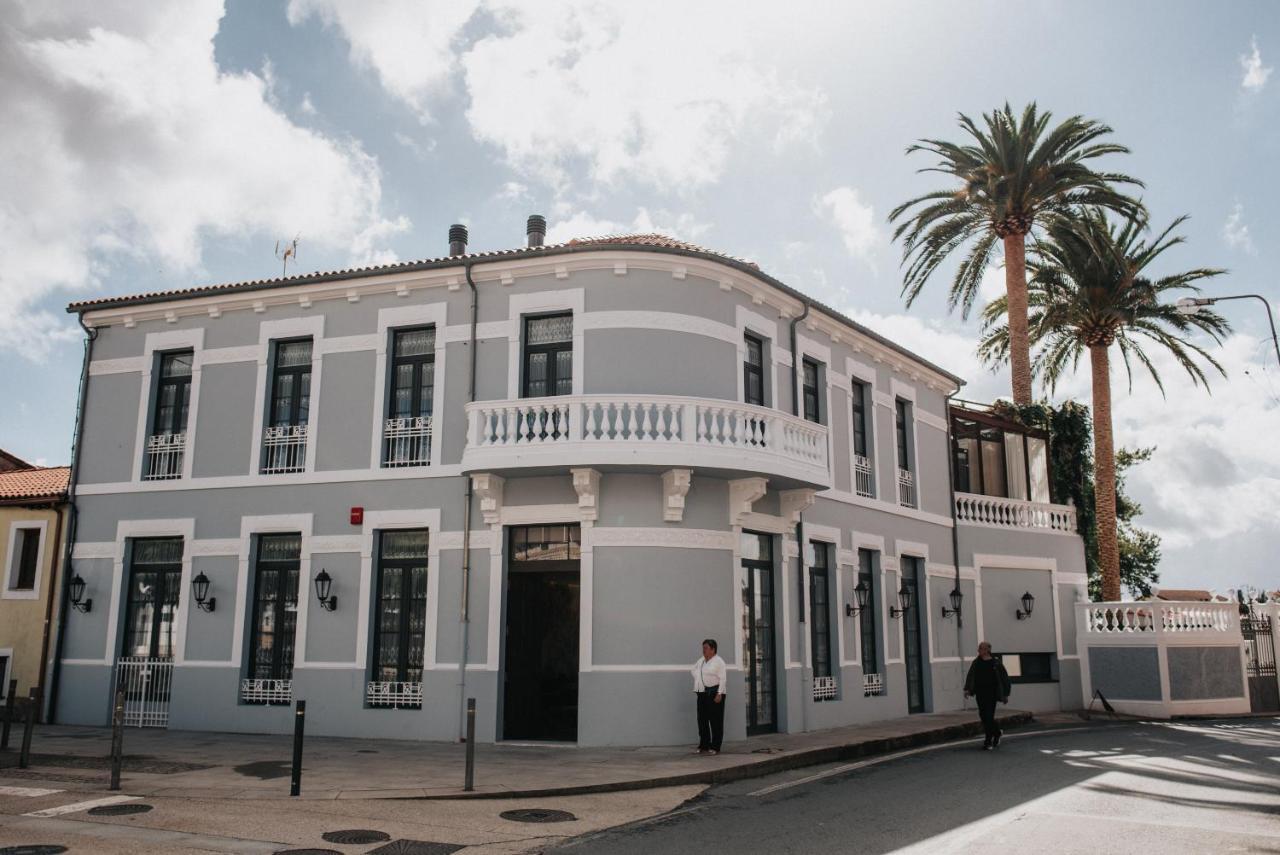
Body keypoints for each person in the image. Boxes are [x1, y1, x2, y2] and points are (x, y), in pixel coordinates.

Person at [964, 641, 1011, 750]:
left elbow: (1004, 679)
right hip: (980, 693)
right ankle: (997, 732)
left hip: (992, 694)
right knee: (983, 716)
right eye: (979, 648)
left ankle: (988, 741)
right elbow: (971, 676)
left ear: (987, 650)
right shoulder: (976, 662)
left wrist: (1005, 694)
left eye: (980, 648)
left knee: (989, 716)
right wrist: (967, 689)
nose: (978, 650)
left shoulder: (996, 663)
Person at [691, 638, 727, 755]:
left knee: (715, 720)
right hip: (703, 693)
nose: (703, 650)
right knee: (702, 719)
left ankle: (715, 746)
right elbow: (693, 670)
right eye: (703, 648)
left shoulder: (719, 661)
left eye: (706, 648)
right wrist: (698, 678)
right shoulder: (701, 660)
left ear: (713, 649)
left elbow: (723, 678)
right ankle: (704, 745)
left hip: (715, 692)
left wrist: (719, 693)